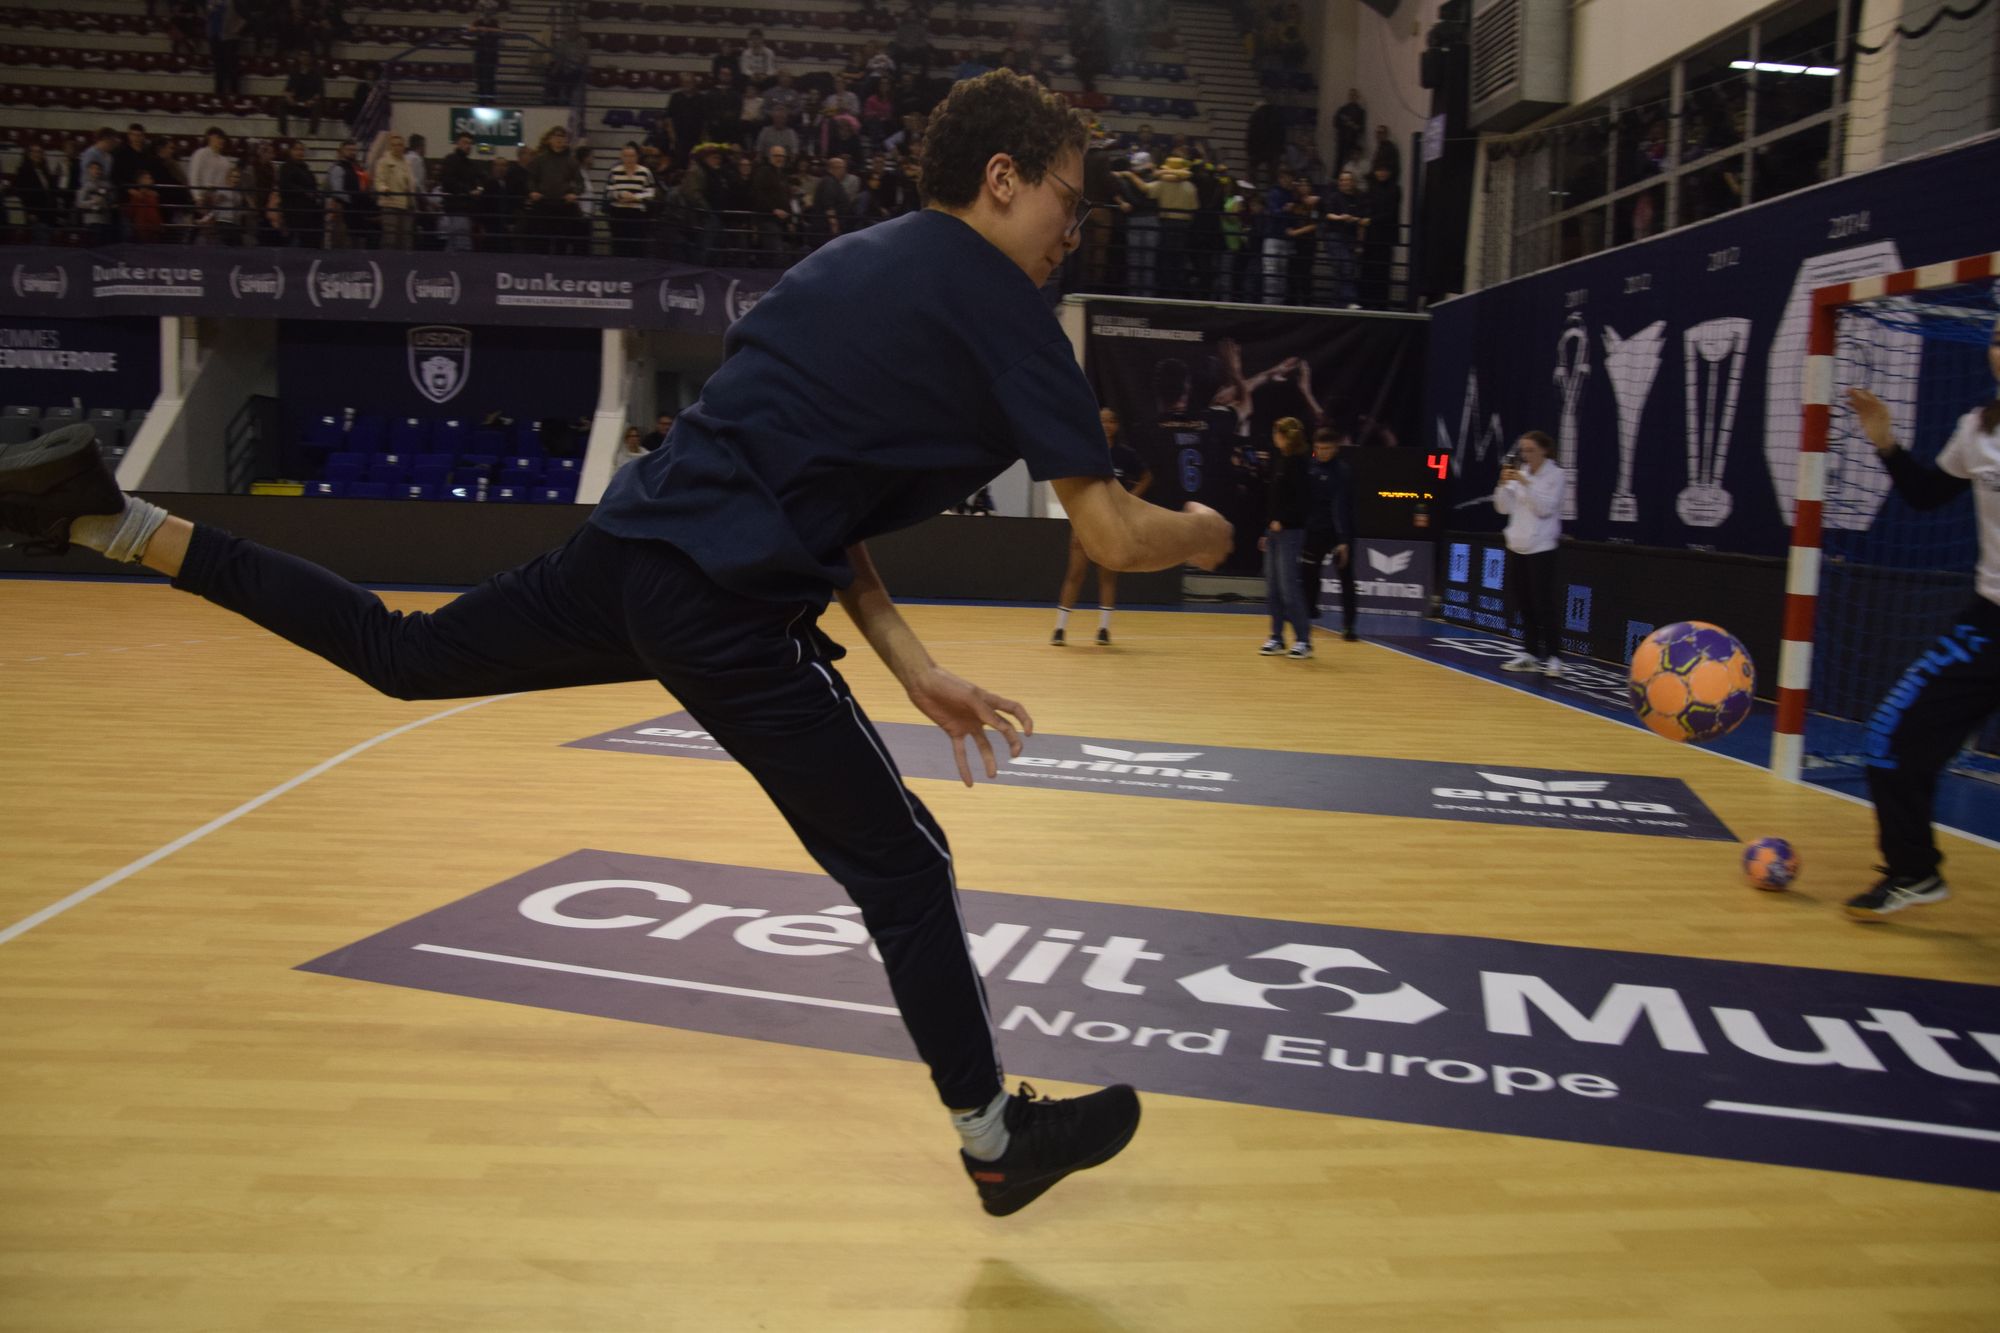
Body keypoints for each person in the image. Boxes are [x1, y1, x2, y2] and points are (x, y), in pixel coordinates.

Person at [0, 69, 1231, 1218]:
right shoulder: (1005, 308)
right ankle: (992, 1142)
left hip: (631, 550)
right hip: (724, 605)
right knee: (904, 868)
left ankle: (117, 521)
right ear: (1004, 177)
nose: (1074, 233)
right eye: (1069, 202)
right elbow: (1115, 535)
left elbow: (827, 497)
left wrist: (911, 665)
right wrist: (1209, 532)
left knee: (398, 653)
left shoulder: (845, 266)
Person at [1844, 355, 2000, 921]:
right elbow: (1927, 495)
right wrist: (1885, 443)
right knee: (1888, 737)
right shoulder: (1979, 429)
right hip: (1988, 625)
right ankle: (1913, 870)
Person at [1052, 406, 1151, 646]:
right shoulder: (1086, 451)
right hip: (1086, 519)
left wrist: (1131, 498)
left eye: (1110, 420)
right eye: (1101, 420)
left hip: (1113, 522)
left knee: (1107, 574)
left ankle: (1104, 629)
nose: (1105, 424)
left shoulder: (1124, 455)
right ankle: (1059, 629)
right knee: (1075, 572)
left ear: (1116, 425)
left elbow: (1146, 476)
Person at [1493, 430, 1566, 676]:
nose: (1526, 455)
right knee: (1523, 602)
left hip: (1542, 548)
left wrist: (1526, 483)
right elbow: (1503, 507)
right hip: (1517, 546)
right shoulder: (1521, 474)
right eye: (1523, 450)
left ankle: (1555, 657)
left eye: (1531, 450)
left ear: (1544, 450)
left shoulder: (1556, 475)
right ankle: (1530, 653)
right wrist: (1503, 485)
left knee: (1543, 603)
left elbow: (1545, 508)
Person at [1259, 417, 1316, 658]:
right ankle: (1277, 637)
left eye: (1276, 433)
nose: (1274, 438)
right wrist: (1267, 530)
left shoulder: (1300, 463)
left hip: (1291, 533)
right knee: (1272, 587)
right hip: (1274, 533)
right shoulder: (1280, 460)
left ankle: (1303, 640)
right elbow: (1275, 500)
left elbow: (1302, 502)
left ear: (1283, 435)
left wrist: (1283, 520)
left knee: (1288, 587)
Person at [1301, 426, 1357, 641]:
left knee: (1347, 579)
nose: (1322, 452)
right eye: (1319, 448)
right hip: (1315, 531)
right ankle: (1309, 612)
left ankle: (1349, 626)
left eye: (1327, 448)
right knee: (1309, 574)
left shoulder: (1343, 472)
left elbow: (1342, 506)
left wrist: (1344, 540)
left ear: (1336, 448)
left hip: (1339, 533)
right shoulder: (1310, 468)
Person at [604, 142, 657, 257]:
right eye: (626, 156)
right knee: (619, 245)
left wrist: (635, 197)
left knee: (636, 245)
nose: (629, 159)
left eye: (632, 156)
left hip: (637, 213)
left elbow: (651, 192)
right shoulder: (614, 171)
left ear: (637, 157)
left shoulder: (645, 172)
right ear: (621, 157)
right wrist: (620, 195)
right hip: (618, 212)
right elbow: (608, 192)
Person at [438, 132, 483, 250]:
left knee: (455, 242)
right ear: (458, 143)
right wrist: (468, 191)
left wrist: (477, 188)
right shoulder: (451, 160)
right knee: (461, 243)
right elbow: (448, 181)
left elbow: (478, 179)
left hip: (464, 208)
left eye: (470, 143)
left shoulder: (469, 164)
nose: (468, 146)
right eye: (465, 142)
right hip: (456, 207)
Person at [372, 134, 416, 249]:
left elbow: (411, 182)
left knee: (406, 238)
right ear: (390, 147)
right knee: (390, 238)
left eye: (400, 145)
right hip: (390, 203)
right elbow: (378, 180)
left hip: (407, 205)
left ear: (404, 147)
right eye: (394, 145)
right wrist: (384, 189)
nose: (397, 147)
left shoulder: (407, 162)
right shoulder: (383, 162)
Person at [279, 53, 325, 135]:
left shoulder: (317, 74)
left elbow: (320, 93)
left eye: (306, 55)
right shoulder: (294, 73)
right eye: (302, 55)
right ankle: (283, 132)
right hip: (296, 103)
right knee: (281, 102)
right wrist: (289, 98)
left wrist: (312, 100)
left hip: (309, 105)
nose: (304, 58)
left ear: (311, 58)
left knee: (318, 105)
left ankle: (312, 133)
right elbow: (286, 90)